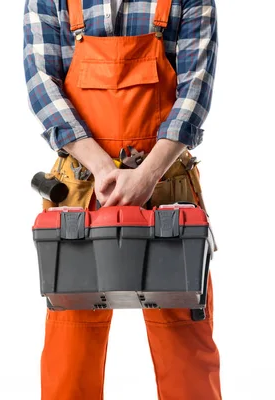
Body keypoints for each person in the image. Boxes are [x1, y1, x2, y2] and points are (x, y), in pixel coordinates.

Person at [23, 0, 220, 399]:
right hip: (81, 188)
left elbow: (195, 89)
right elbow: (42, 82)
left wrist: (147, 175)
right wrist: (101, 168)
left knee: (185, 350)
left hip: (165, 188)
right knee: (70, 352)